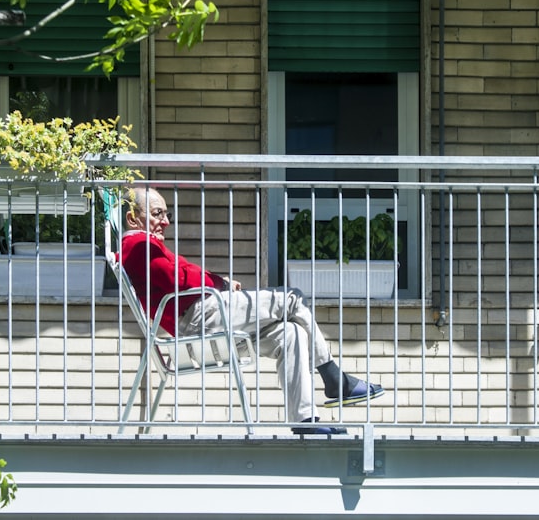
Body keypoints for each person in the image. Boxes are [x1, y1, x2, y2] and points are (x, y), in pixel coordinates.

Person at [119, 186, 384, 435]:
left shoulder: (147, 247)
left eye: (167, 214)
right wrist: (219, 282)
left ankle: (305, 421)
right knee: (291, 298)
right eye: (157, 214)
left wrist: (208, 278)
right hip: (200, 317)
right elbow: (179, 278)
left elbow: (183, 275)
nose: (165, 221)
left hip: (201, 320)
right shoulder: (138, 247)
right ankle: (334, 378)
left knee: (291, 333)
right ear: (133, 219)